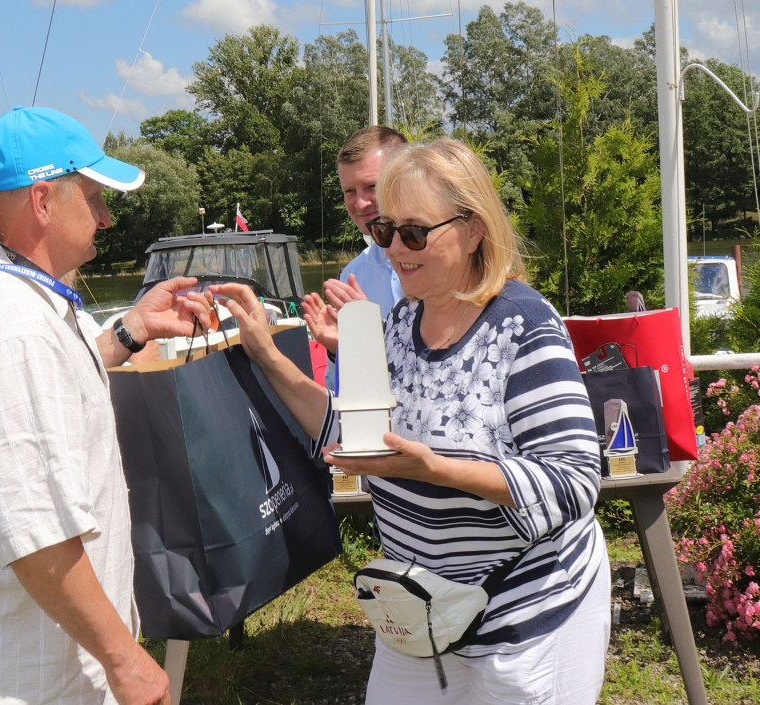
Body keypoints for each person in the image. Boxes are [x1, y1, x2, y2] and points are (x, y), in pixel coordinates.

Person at [212, 138, 609, 704]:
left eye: (415, 232)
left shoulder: (522, 325)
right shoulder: (402, 322)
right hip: (422, 612)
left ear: (473, 229)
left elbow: (574, 482)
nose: (397, 248)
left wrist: (436, 469)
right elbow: (355, 434)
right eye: (385, 231)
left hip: (524, 619)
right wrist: (267, 354)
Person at [0, 106, 213, 705]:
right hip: (5, 674)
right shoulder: (12, 327)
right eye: (94, 197)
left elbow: (55, 380)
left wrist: (131, 331)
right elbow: (38, 531)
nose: (107, 219)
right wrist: (125, 660)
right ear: (41, 201)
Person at [302, 126, 407, 388]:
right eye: (350, 191)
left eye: (371, 186)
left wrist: (373, 335)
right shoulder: (354, 274)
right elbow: (339, 390)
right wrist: (339, 350)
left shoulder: (443, 264)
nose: (359, 204)